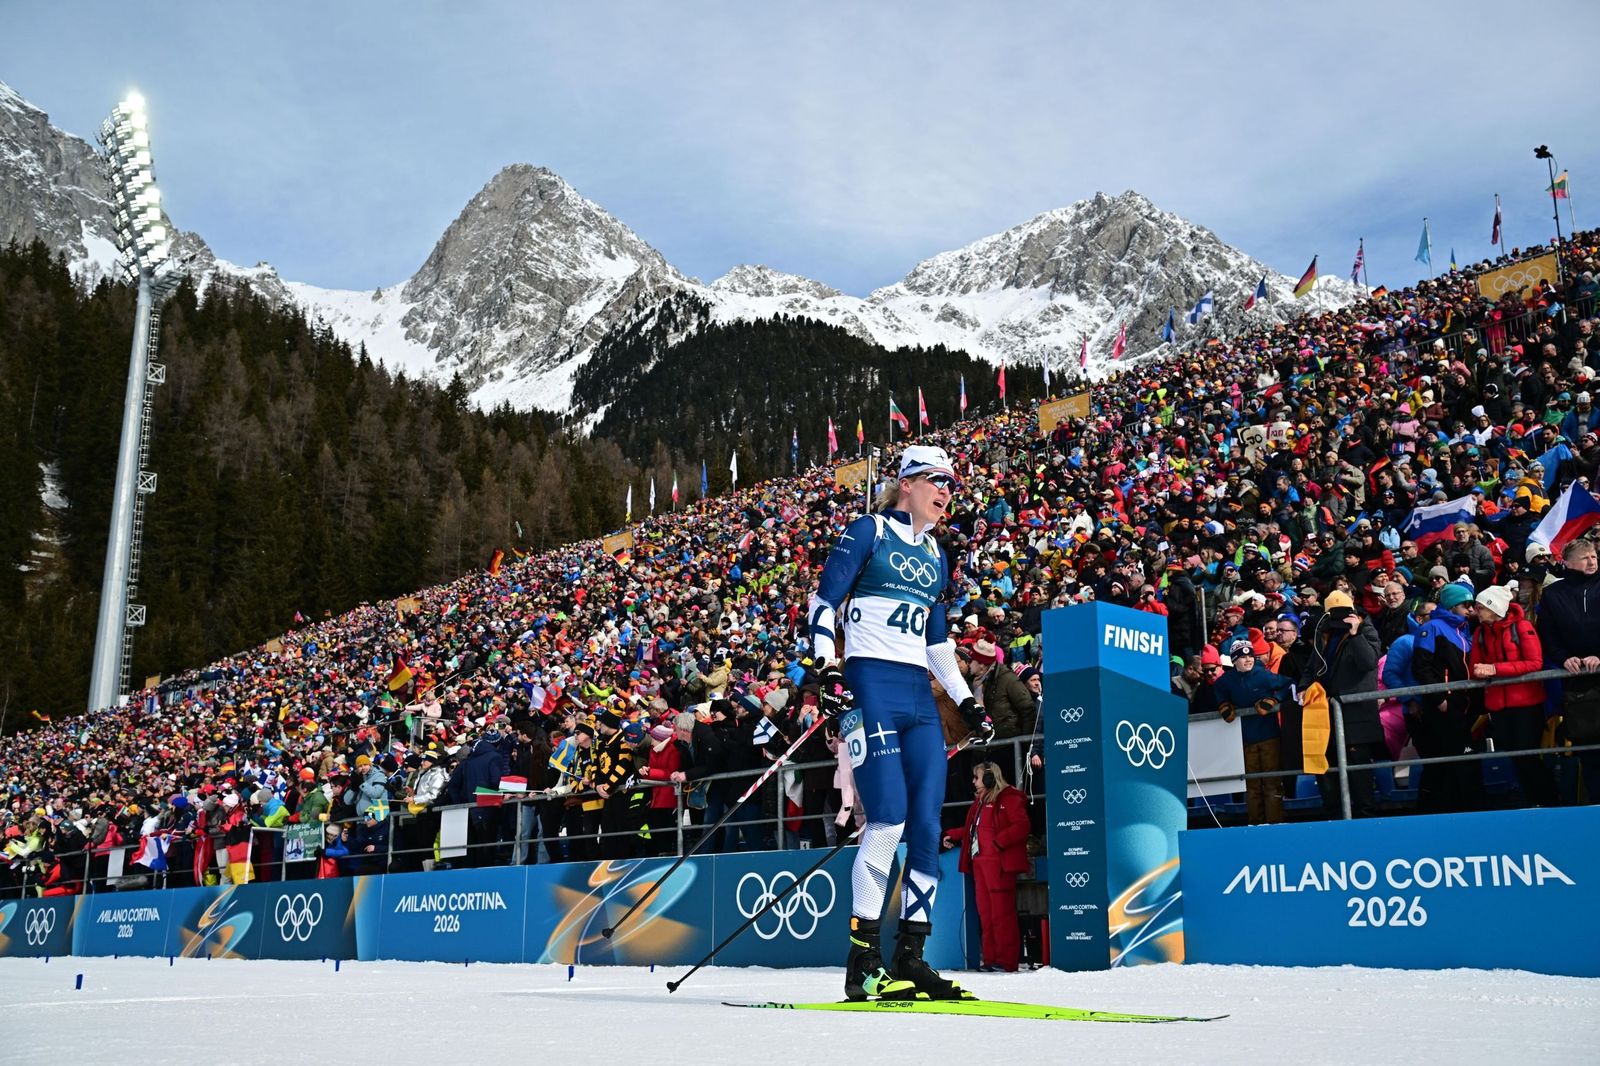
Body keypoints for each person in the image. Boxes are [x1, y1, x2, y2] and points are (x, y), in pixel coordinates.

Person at [808, 445, 986, 1002]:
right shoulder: (869, 531)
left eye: (953, 485)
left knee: (928, 827)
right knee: (886, 819)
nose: (948, 493)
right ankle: (864, 962)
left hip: (917, 697)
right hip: (872, 688)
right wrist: (825, 669)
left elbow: (937, 644)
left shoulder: (936, 552)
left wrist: (966, 701)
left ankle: (912, 956)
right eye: (939, 481)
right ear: (907, 483)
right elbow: (822, 604)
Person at [1467, 584, 1557, 807]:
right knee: (1515, 756)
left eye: (1479, 607)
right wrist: (1483, 671)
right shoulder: (1480, 633)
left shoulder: (1522, 627)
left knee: (1527, 755)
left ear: (1493, 608)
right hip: (1498, 706)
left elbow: (1535, 663)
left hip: (1526, 704)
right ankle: (1532, 800)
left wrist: (1495, 669)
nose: (1475, 611)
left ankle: (1547, 800)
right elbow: (1475, 667)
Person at [942, 761, 1030, 972]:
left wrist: (999, 842)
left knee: (1002, 915)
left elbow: (1022, 825)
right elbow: (971, 829)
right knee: (986, 914)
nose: (973, 781)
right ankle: (991, 959)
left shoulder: (1009, 798)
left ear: (990, 778)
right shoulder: (979, 802)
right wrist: (952, 835)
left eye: (977, 777)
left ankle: (1006, 961)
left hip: (998, 865)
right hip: (979, 865)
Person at [1536, 538, 1600, 802]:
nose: (1592, 561)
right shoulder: (1553, 594)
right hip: (1578, 689)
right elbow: (1547, 635)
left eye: (1594, 556)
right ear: (1568, 562)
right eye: (1586, 557)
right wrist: (1564, 659)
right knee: (1591, 755)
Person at [1410, 582, 1480, 814]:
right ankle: (1447, 810)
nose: (1470, 609)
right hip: (1444, 705)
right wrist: (1439, 698)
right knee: (1449, 759)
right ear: (1451, 605)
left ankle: (1467, 806)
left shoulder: (1463, 629)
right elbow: (1422, 667)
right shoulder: (1432, 628)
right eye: (1465, 605)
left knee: (1464, 757)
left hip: (1463, 704)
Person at [1211, 639, 1296, 824]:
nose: (1248, 659)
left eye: (1250, 655)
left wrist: (1274, 699)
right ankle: (1255, 822)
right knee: (1252, 784)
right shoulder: (1227, 679)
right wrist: (1224, 703)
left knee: (1271, 781)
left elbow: (1288, 684)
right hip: (1245, 739)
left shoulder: (1263, 675)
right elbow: (1219, 689)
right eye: (1243, 657)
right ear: (1234, 661)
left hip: (1269, 736)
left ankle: (1275, 822)